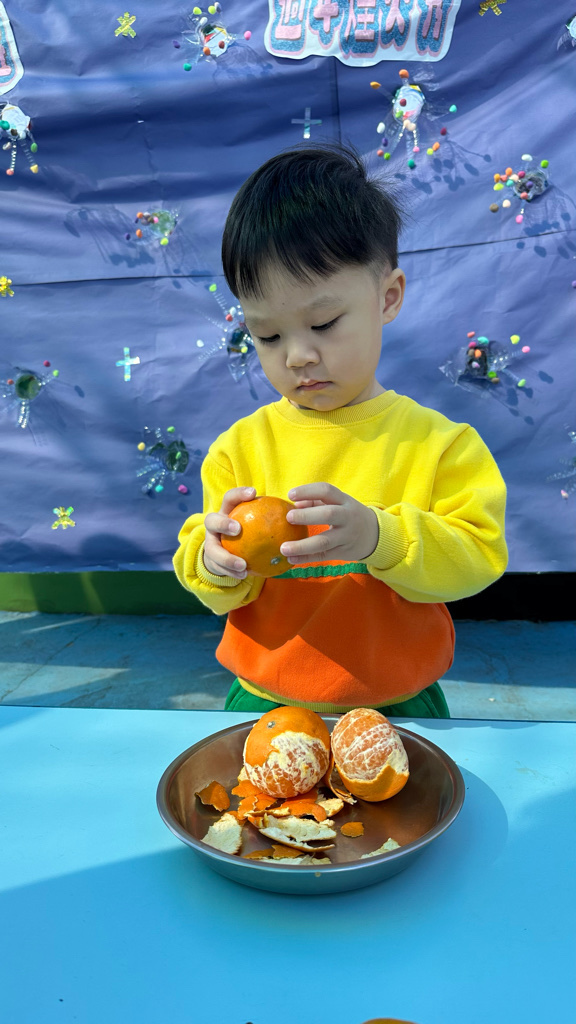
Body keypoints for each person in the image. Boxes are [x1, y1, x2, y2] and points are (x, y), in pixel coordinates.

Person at [173, 141, 508, 718]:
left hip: (398, 705)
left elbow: (478, 557)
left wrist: (381, 538)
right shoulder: (239, 450)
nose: (297, 356)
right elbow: (210, 581)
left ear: (388, 297)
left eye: (324, 323)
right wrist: (212, 563)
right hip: (263, 702)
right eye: (267, 336)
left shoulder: (439, 446)